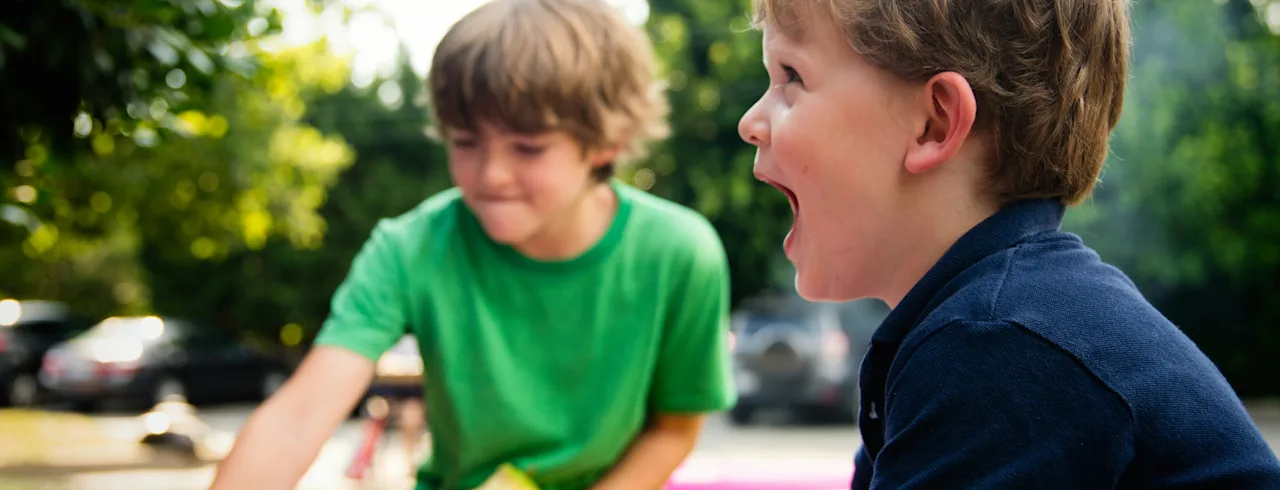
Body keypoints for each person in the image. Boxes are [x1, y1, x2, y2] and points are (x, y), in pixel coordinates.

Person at [737, 0, 1280, 489]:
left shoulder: (996, 349)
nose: (749, 122)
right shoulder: (998, 322)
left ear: (934, 122)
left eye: (791, 77)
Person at [208, 1, 736, 489]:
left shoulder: (681, 253)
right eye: (465, 142)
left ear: (606, 143)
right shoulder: (409, 248)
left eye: (528, 148)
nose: (492, 174)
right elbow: (297, 419)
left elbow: (674, 429)